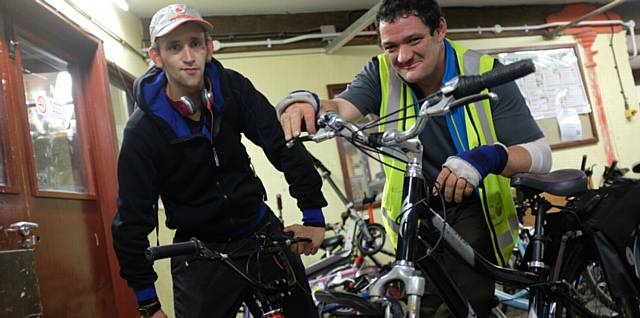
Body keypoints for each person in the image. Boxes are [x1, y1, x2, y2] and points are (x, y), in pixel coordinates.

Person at [276, 0, 552, 316]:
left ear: (440, 30)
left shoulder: (485, 71)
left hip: (472, 206)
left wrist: (487, 157)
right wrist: (308, 103)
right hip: (415, 212)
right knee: (418, 306)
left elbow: (541, 155)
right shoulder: (380, 72)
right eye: (391, 46)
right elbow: (341, 108)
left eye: (414, 40)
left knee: (462, 307)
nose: (402, 57)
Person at [111, 4, 327, 318]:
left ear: (208, 48)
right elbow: (131, 220)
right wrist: (148, 302)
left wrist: (313, 215)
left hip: (258, 231)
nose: (188, 56)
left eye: (195, 43)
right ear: (156, 56)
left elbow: (283, 145)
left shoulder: (232, 88)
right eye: (174, 47)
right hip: (199, 251)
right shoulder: (142, 132)